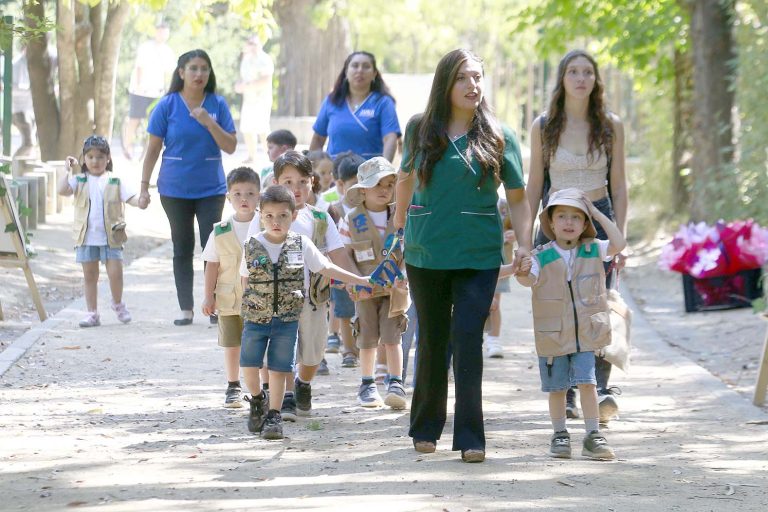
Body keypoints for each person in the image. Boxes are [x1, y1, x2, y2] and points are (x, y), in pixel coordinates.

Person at [393, 49, 532, 463]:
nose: (473, 85)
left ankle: (472, 436)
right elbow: (404, 178)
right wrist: (399, 228)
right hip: (426, 249)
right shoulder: (419, 127)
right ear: (445, 83)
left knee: (468, 340)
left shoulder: (500, 135)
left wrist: (525, 244)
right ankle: (425, 427)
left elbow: (518, 198)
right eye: (462, 78)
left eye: (477, 77)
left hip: (479, 253)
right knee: (432, 339)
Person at [525, 49, 628, 423]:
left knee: (597, 306)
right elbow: (534, 185)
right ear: (562, 79)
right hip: (556, 220)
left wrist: (622, 238)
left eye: (587, 72)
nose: (581, 78)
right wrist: (526, 239)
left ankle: (599, 390)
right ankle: (565, 391)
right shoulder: (544, 126)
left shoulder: (610, 125)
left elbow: (620, 186)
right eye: (573, 72)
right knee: (558, 304)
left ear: (596, 80)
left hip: (598, 219)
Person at [238, 185, 371, 440]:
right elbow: (245, 278)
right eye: (269, 216)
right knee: (250, 365)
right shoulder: (252, 245)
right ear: (260, 216)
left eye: (283, 216)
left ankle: (274, 416)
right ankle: (257, 399)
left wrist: (358, 280)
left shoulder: (301, 244)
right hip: (256, 318)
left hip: (288, 318)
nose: (276, 222)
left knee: (279, 368)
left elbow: (326, 268)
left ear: (294, 216)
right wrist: (247, 307)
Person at [505, 188, 626, 459]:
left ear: (585, 224)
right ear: (550, 222)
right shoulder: (541, 256)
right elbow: (526, 280)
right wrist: (521, 268)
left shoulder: (593, 249)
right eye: (561, 216)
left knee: (588, 384)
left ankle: (593, 435)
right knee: (557, 389)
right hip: (553, 335)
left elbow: (619, 244)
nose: (568, 222)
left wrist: (597, 214)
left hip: (586, 335)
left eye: (576, 217)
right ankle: (560, 434)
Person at [246, 151, 357, 420]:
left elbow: (337, 253)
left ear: (312, 182)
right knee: (280, 351)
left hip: (312, 297)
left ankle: (303, 382)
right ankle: (285, 397)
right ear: (275, 182)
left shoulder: (320, 217)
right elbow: (250, 256)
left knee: (313, 353)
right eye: (288, 182)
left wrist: (353, 281)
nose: (296, 189)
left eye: (302, 182)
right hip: (275, 299)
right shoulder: (263, 217)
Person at [138, 49, 237, 326]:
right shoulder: (167, 105)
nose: (199, 74)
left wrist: (209, 122)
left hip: (211, 188)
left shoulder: (217, 104)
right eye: (193, 68)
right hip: (174, 189)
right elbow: (152, 150)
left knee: (212, 246)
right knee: (181, 247)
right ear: (181, 72)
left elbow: (230, 146)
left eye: (204, 68)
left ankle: (213, 305)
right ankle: (185, 308)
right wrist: (144, 186)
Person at [338, 157, 409, 409]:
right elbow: (344, 253)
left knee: (393, 336)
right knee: (367, 337)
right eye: (377, 184)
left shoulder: (400, 216)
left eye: (389, 185)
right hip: (364, 289)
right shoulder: (350, 219)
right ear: (362, 190)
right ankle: (367, 384)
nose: (384, 190)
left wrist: (403, 276)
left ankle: (396, 382)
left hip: (393, 289)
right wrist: (353, 279)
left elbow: (408, 250)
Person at [57, 136, 139, 328]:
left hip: (112, 237)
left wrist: (141, 201)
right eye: (91, 157)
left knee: (116, 273)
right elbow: (62, 190)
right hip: (86, 237)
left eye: (100, 157)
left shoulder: (115, 181)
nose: (95, 161)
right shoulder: (79, 180)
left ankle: (118, 304)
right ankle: (92, 312)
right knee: (90, 276)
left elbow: (132, 198)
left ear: (108, 158)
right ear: (84, 158)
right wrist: (66, 170)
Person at [201, 167, 260, 408]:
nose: (244, 199)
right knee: (232, 343)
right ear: (228, 197)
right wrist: (208, 296)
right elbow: (212, 265)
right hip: (229, 299)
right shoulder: (220, 230)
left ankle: (262, 388)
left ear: (259, 195)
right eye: (237, 194)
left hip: (260, 300)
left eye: (250, 193)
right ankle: (233, 385)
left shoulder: (267, 225)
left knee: (258, 343)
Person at [309, 51, 400, 162]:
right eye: (355, 66)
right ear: (346, 71)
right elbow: (318, 139)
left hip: (370, 171)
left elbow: (390, 138)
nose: (360, 70)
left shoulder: (383, 103)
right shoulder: (331, 101)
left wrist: (384, 168)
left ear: (374, 74)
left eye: (366, 66)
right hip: (335, 171)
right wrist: (312, 168)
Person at [325, 152, 363, 365]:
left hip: (365, 266)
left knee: (366, 309)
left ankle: (363, 347)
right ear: (340, 184)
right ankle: (348, 349)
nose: (359, 189)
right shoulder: (334, 210)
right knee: (344, 309)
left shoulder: (370, 208)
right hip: (341, 268)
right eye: (354, 184)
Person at [124, 23, 176, 159]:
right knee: (135, 118)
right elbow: (139, 67)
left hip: (157, 92)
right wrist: (139, 85)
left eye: (165, 33)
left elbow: (171, 72)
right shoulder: (145, 47)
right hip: (140, 91)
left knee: (157, 120)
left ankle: (153, 148)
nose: (162, 35)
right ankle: (128, 146)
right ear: (155, 32)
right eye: (160, 32)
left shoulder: (167, 51)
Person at [485, 197, 516, 359]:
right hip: (475, 259)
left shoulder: (505, 205)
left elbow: (516, 226)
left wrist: (514, 235)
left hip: (500, 261)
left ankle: (493, 339)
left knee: (495, 303)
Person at [236, 36, 274, 163]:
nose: (252, 46)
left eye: (254, 43)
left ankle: (271, 156)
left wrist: (247, 86)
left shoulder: (265, 59)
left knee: (263, 129)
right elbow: (242, 78)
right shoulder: (246, 60)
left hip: (262, 100)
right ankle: (251, 156)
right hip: (248, 100)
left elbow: (265, 79)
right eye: (250, 43)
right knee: (247, 128)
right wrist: (238, 86)